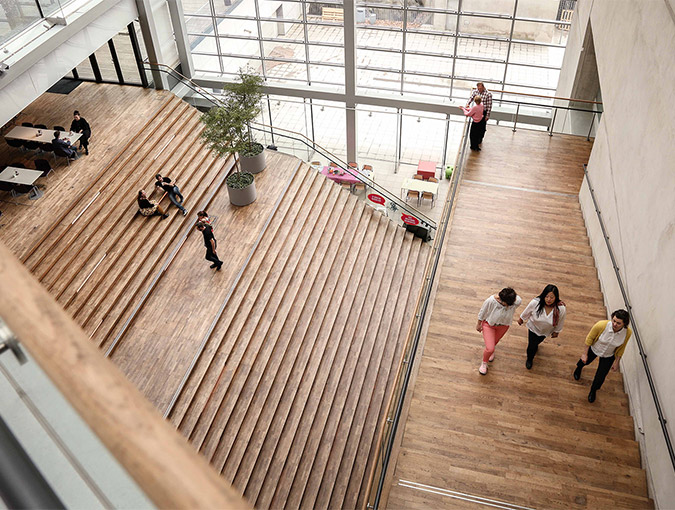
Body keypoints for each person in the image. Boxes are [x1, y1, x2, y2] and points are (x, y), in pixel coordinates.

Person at [574, 309, 632, 403]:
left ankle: (593, 390)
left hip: (609, 355)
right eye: (614, 321)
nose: (614, 324)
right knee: (584, 361)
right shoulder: (601, 325)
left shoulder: (627, 333)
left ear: (624, 324)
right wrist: (584, 354)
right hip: (595, 349)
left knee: (600, 376)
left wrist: (617, 361)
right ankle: (578, 368)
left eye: (618, 323)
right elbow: (589, 338)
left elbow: (622, 347)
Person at [518, 284, 566, 369]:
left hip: (545, 331)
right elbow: (527, 311)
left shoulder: (560, 308)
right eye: (547, 296)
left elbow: (561, 320)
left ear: (556, 297)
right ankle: (529, 359)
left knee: (537, 342)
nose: (549, 299)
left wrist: (557, 331)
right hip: (533, 328)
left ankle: (535, 346)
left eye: (552, 297)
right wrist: (522, 319)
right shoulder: (535, 303)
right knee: (531, 345)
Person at [476, 287, 521, 375]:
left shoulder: (516, 302)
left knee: (495, 342)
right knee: (490, 348)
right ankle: (484, 363)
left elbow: (518, 299)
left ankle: (491, 353)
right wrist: (478, 324)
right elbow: (482, 312)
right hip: (489, 325)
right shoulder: (490, 301)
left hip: (504, 326)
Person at [466, 82, 493, 148]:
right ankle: (475, 142)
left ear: (483, 87)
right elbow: (471, 98)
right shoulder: (476, 92)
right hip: (477, 112)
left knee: (482, 127)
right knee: (475, 127)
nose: (479, 90)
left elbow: (489, 106)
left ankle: (479, 139)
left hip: (483, 112)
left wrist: (487, 115)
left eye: (480, 88)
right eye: (478, 88)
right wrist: (468, 103)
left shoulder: (488, 94)